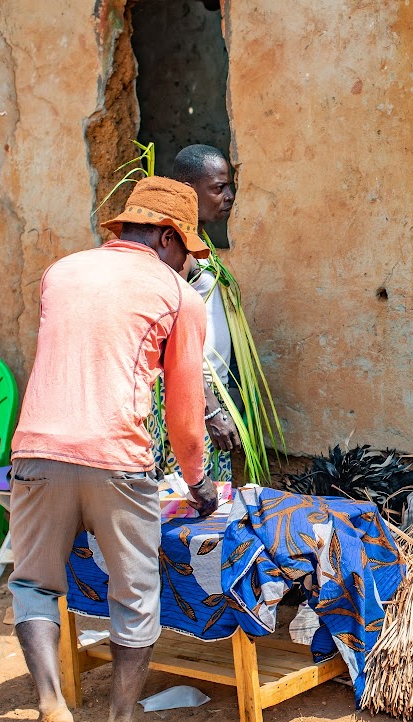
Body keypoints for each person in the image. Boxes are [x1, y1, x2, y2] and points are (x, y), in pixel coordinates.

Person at [7, 176, 218, 722]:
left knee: (34, 584)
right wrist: (197, 481)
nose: (186, 264)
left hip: (38, 452)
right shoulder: (179, 295)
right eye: (186, 251)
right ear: (167, 237)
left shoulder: (61, 272)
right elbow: (185, 411)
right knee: (134, 595)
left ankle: (52, 706)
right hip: (119, 458)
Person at [145, 144, 240, 484]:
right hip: (194, 394)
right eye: (218, 188)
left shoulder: (197, 246)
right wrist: (210, 408)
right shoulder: (178, 253)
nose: (228, 196)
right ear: (188, 191)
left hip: (209, 388)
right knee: (189, 498)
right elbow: (174, 340)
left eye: (229, 186)